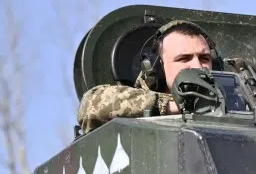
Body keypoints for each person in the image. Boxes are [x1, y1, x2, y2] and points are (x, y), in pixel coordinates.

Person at [76, 20, 215, 133]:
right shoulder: (141, 100)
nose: (198, 66)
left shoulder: (230, 98)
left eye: (204, 58)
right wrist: (170, 105)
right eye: (184, 59)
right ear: (158, 67)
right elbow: (90, 106)